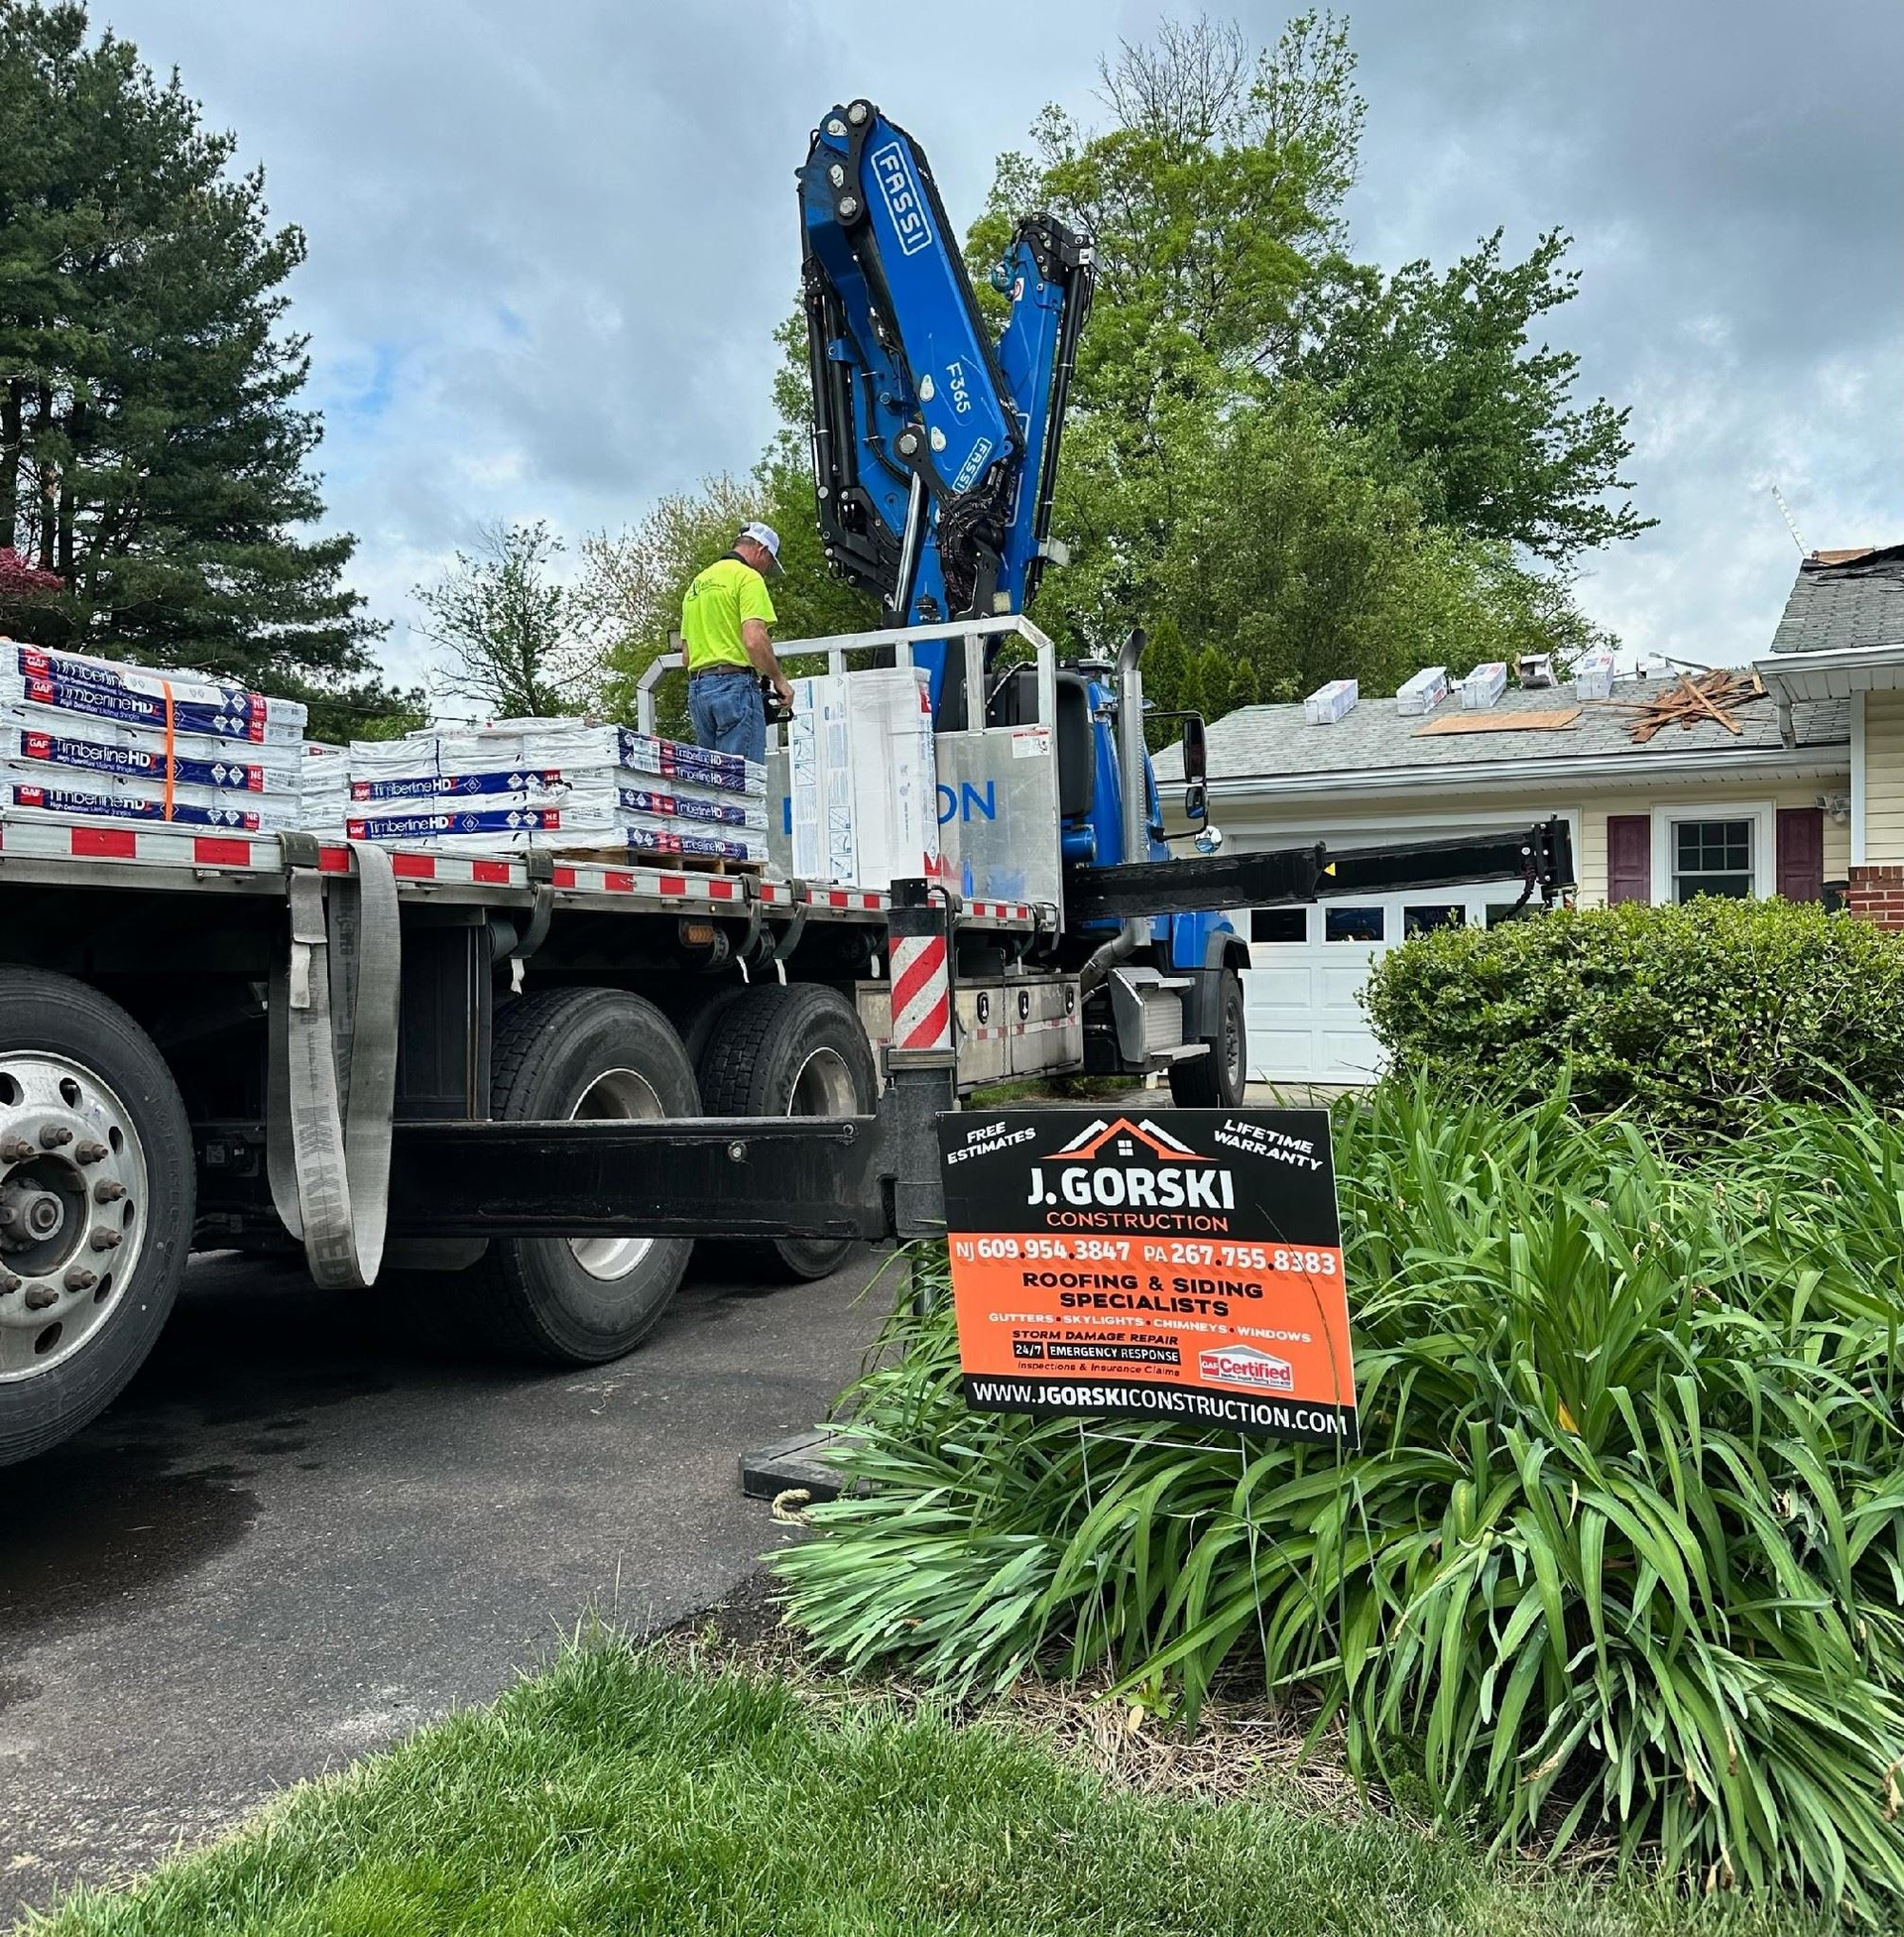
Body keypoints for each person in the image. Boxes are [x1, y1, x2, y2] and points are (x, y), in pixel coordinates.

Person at [680, 522, 795, 765]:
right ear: (761, 550)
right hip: (735, 688)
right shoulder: (748, 578)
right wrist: (778, 680)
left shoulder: (696, 585)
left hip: (699, 692)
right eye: (770, 564)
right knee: (744, 781)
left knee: (715, 780)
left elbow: (687, 656)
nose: (766, 571)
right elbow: (754, 640)